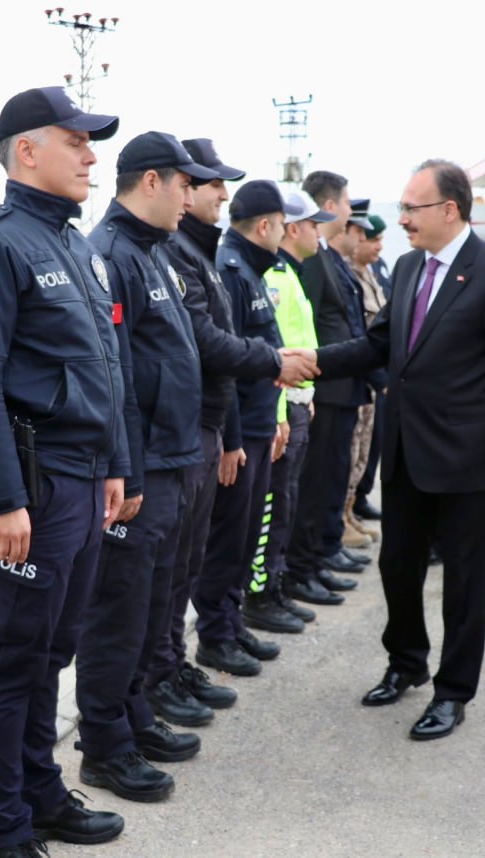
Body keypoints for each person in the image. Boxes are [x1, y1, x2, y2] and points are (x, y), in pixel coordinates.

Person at [0, 86, 129, 858]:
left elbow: (104, 365)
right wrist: (3, 500)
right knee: (11, 659)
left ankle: (37, 790)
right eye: (76, 141)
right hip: (36, 485)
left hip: (85, 480)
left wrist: (115, 462)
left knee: (53, 651)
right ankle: (2, 830)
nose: (92, 155)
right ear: (27, 150)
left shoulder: (75, 244)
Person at [313, 159, 485, 740]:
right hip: (408, 450)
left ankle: (453, 690)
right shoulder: (412, 266)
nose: (402, 218)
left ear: (449, 209)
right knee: (398, 567)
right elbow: (380, 343)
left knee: (464, 581)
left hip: (468, 458)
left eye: (413, 207)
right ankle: (406, 663)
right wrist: (311, 362)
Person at [145, 139, 316, 724]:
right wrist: (243, 424)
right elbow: (211, 349)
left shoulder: (210, 258)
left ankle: (191, 651)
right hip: (187, 437)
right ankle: (188, 654)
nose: (220, 193)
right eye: (211, 183)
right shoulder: (205, 260)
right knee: (181, 566)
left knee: (198, 558)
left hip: (217, 430)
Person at [75, 131, 214, 804]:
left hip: (175, 457)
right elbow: (117, 379)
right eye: (185, 184)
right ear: (151, 182)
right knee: (119, 611)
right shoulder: (111, 256)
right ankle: (103, 744)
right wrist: (125, 472)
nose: (192, 197)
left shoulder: (154, 254)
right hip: (144, 467)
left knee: (153, 605)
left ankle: (131, 716)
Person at [192, 180, 300, 678]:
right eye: (282, 226)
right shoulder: (230, 270)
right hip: (240, 431)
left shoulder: (249, 269)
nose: (285, 235)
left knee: (245, 533)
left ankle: (230, 623)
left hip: (258, 424)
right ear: (264, 225)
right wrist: (232, 440)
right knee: (228, 539)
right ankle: (215, 634)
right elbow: (224, 365)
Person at [241, 190, 334, 635]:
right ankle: (260, 593)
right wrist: (281, 409)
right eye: (313, 224)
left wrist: (306, 394)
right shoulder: (275, 277)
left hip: (296, 400)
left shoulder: (289, 274)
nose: (320, 232)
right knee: (272, 504)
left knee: (286, 500)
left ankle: (273, 585)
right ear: (290, 228)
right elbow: (272, 352)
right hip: (281, 405)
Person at [284, 171, 369, 604]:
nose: (351, 212)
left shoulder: (329, 258)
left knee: (331, 479)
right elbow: (309, 325)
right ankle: (306, 563)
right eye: (348, 203)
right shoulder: (313, 262)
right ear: (330, 204)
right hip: (323, 387)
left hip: (341, 388)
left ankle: (320, 556)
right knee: (314, 484)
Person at [343, 205, 389, 546]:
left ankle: (348, 514)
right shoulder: (345, 272)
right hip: (359, 374)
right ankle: (341, 520)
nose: (375, 245)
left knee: (363, 454)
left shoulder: (374, 273)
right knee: (350, 454)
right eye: (368, 237)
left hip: (372, 375)